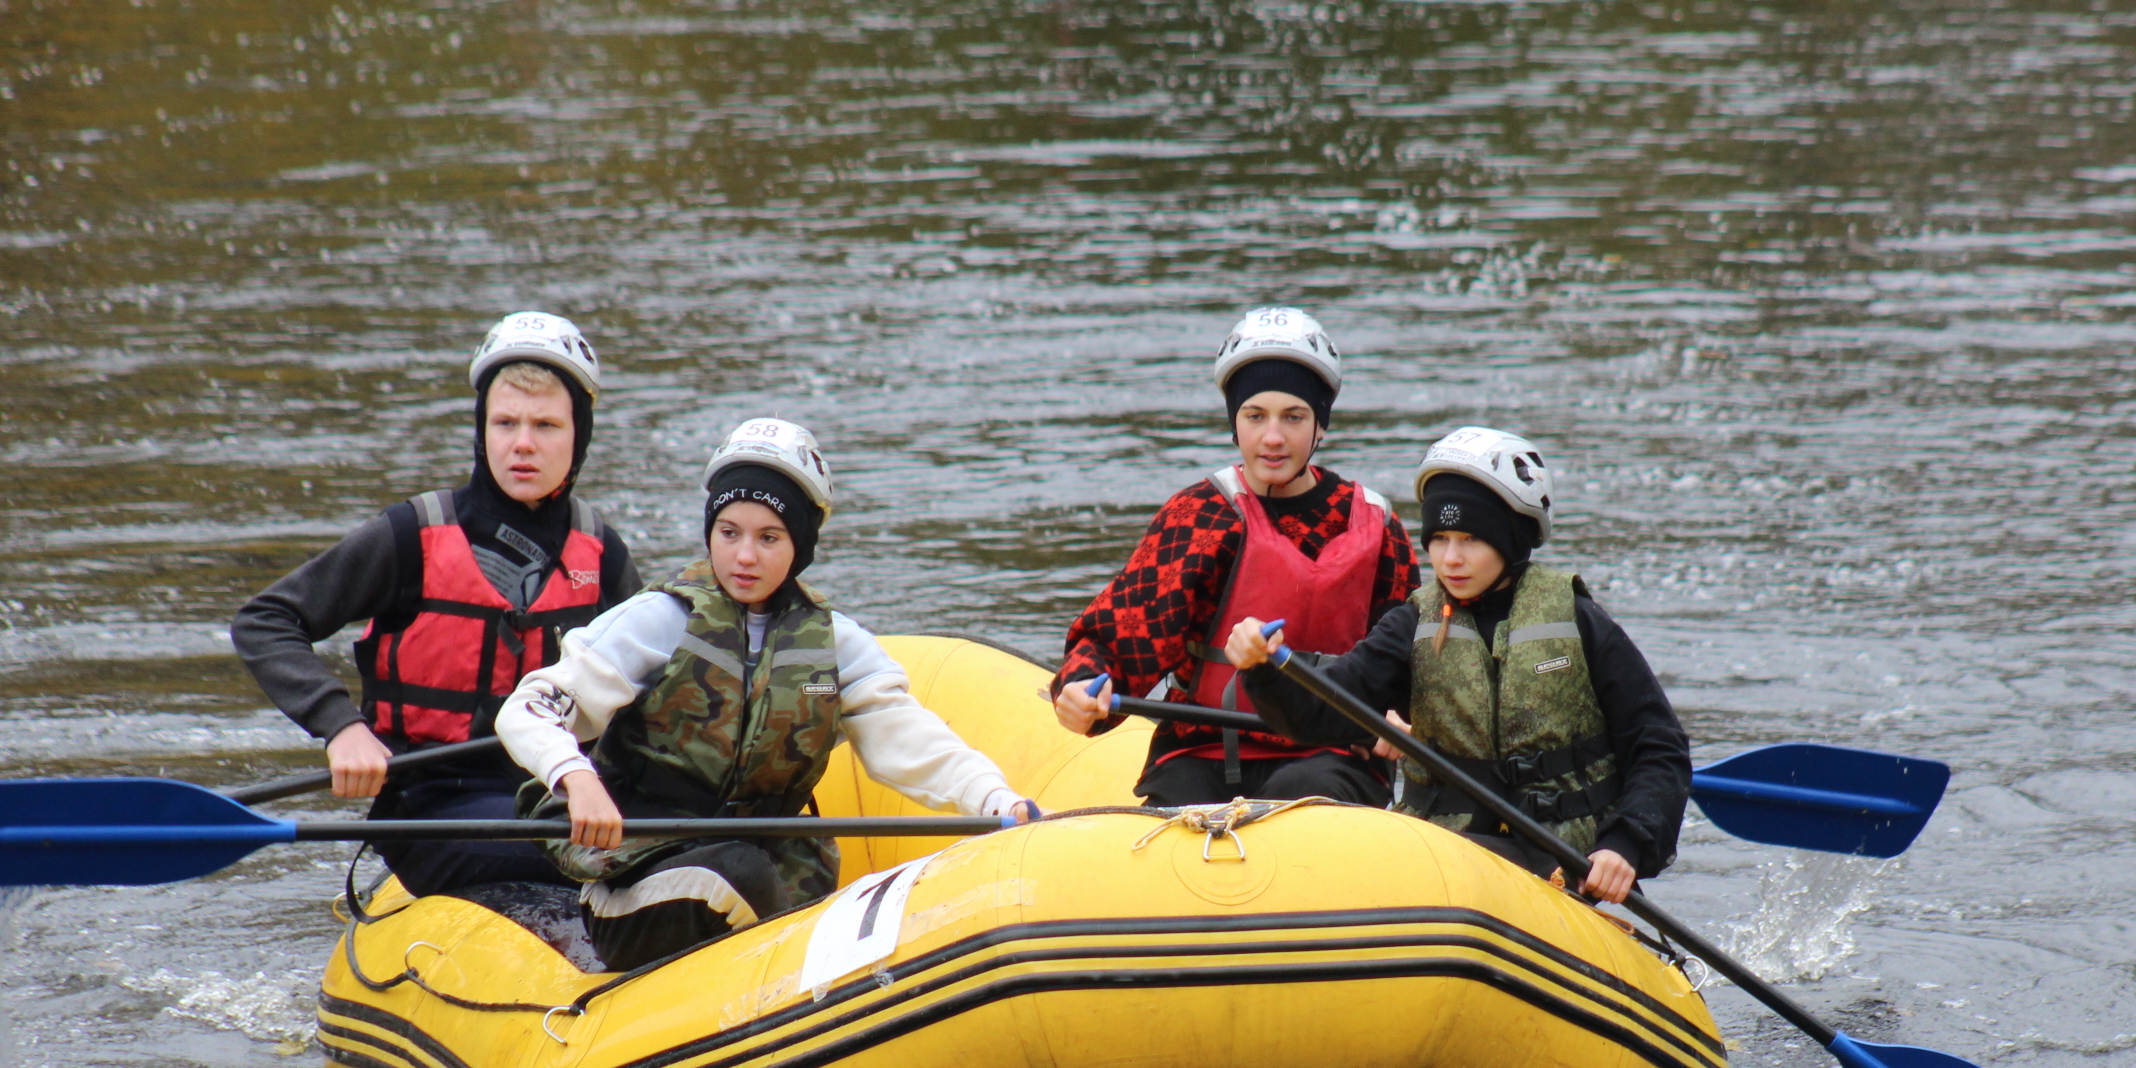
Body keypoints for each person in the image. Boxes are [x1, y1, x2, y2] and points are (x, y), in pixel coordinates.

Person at [496, 419, 1041, 972]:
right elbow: (529, 709)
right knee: (741, 869)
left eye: (769, 538)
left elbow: (912, 741)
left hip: (770, 867)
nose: (745, 556)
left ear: (800, 545)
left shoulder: (836, 644)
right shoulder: (658, 621)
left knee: (756, 869)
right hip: (637, 877)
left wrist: (996, 800)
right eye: (729, 533)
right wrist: (576, 776)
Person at [230, 312, 641, 897]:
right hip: (428, 803)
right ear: (481, 430)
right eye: (505, 423)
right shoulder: (410, 537)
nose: (522, 443)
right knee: (559, 855)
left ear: (580, 436)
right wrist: (339, 726)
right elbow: (266, 621)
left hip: (554, 792)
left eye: (546, 425)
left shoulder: (600, 552)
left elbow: (653, 685)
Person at [1220, 427, 1690, 906]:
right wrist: (1263, 669)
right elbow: (1325, 708)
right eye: (1439, 538)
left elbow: (1659, 746)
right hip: (1440, 847)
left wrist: (1627, 842)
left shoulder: (1579, 621)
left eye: (1470, 538)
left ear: (1510, 539)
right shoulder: (1411, 623)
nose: (1451, 559)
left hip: (1560, 855)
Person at [1048, 306, 1418, 806]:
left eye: (1293, 417)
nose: (1272, 437)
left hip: (1333, 752)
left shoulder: (1378, 526)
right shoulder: (1198, 517)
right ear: (1234, 423)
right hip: (1201, 747)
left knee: (1302, 793)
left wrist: (1396, 715)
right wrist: (1079, 686)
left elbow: (1411, 660)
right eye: (1255, 416)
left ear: (1320, 427)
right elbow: (1122, 635)